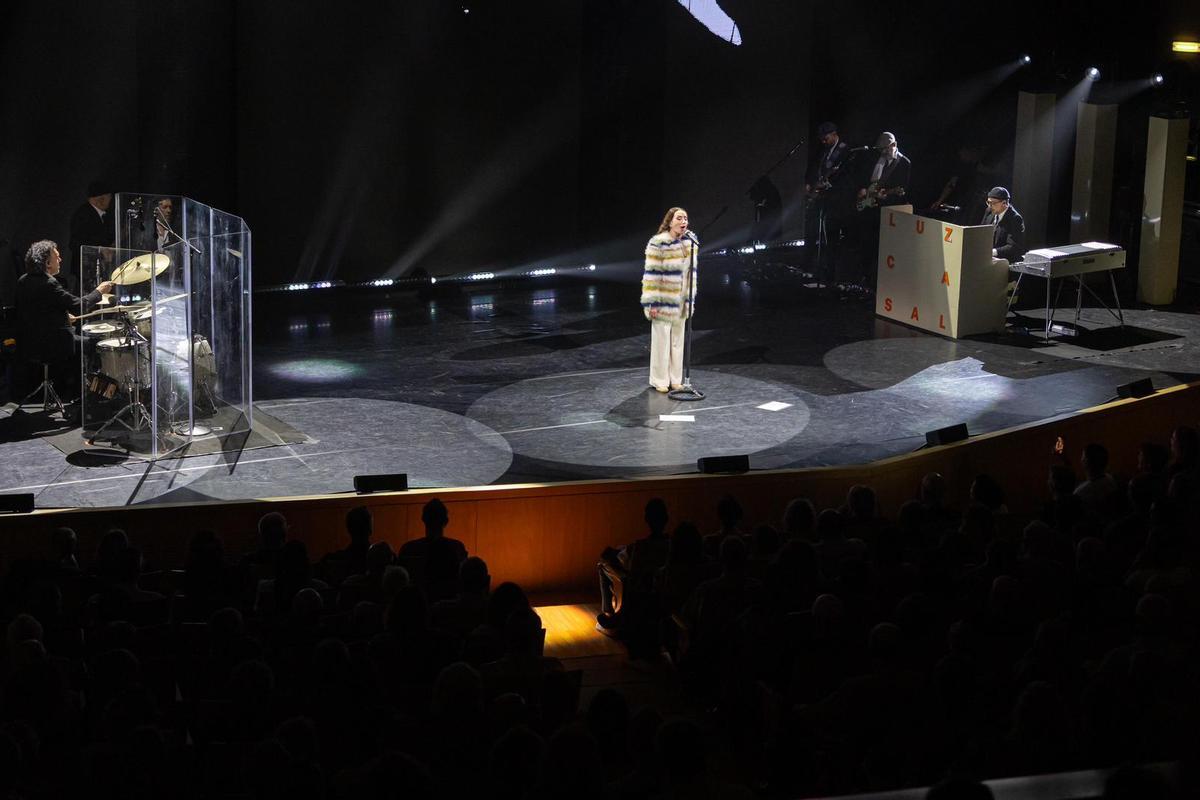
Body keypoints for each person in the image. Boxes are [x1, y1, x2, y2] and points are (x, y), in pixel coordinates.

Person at [15, 240, 113, 398]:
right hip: (52, 343)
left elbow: (38, 311)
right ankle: (86, 396)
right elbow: (78, 306)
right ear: (48, 263)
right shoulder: (49, 283)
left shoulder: (23, 281)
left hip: (29, 343)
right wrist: (99, 291)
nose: (60, 260)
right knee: (95, 344)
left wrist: (63, 316)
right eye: (57, 257)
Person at [640, 207, 697, 393]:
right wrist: (652, 302)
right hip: (663, 300)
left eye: (685, 218)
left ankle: (675, 379)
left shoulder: (689, 243)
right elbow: (651, 274)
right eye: (679, 218)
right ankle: (659, 380)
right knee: (661, 341)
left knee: (677, 341)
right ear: (670, 221)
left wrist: (689, 299)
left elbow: (691, 274)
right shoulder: (658, 242)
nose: (683, 221)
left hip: (681, 301)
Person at [805, 121, 852, 283]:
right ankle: (816, 268)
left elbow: (847, 176)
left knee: (832, 238)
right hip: (822, 198)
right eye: (822, 139)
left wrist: (830, 184)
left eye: (826, 138)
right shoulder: (824, 150)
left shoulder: (845, 151)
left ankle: (833, 274)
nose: (823, 141)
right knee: (817, 234)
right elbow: (815, 168)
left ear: (834, 134)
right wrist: (810, 183)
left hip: (837, 200)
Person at [67, 180, 115, 281]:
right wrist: (101, 250)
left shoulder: (102, 216)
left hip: (96, 269)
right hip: (86, 270)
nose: (110, 201)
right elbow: (76, 243)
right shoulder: (83, 215)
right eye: (109, 198)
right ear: (101, 199)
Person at [980, 186, 1025, 261]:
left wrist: (992, 252)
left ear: (1004, 203)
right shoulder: (989, 211)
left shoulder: (1015, 219)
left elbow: (1013, 246)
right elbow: (981, 231)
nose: (990, 206)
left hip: (1004, 260)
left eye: (993, 203)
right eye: (988, 202)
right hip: (987, 257)